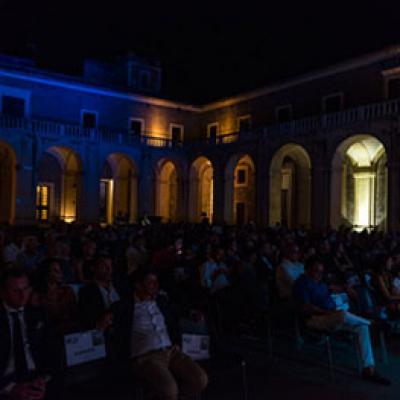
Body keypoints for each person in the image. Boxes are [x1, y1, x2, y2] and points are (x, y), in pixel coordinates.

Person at [293, 256, 390, 385]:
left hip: (332, 317)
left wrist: (345, 288)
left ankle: (369, 369)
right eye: (316, 271)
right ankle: (372, 323)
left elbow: (331, 289)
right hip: (315, 319)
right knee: (343, 314)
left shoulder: (320, 283)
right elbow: (306, 308)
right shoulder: (302, 283)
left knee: (362, 328)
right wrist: (328, 312)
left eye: (321, 272)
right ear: (307, 270)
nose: (319, 274)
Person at [114, 270, 208, 400]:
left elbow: (176, 309)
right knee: (169, 389)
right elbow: (109, 317)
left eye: (156, 282)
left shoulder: (161, 301)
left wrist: (191, 313)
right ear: (138, 285)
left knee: (200, 379)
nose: (156, 285)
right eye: (151, 282)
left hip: (171, 351)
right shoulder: (125, 306)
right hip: (147, 357)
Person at [0, 268, 59, 399]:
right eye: (16, 291)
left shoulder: (38, 314)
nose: (22, 295)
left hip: (35, 377)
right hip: (5, 382)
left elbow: (51, 351)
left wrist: (44, 378)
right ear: (3, 293)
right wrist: (8, 388)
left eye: (26, 289)